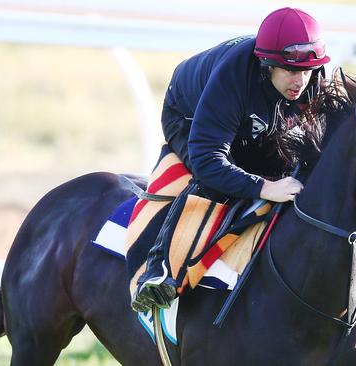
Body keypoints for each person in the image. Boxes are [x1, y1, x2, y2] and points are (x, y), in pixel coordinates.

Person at [130, 7, 331, 312]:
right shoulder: (233, 77)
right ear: (267, 65)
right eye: (291, 70)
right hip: (188, 114)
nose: (300, 80)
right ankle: (158, 272)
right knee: (218, 182)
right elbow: (209, 161)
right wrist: (264, 188)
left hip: (250, 121)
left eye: (308, 70)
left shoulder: (312, 78)